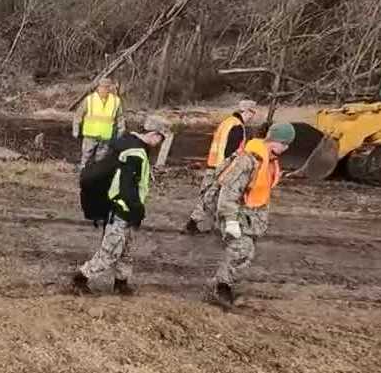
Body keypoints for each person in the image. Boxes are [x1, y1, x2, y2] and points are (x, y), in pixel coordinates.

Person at [70, 115, 171, 296]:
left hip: (125, 209)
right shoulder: (135, 154)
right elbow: (126, 187)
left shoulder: (128, 143)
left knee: (126, 250)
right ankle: (81, 278)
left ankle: (121, 283)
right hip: (122, 210)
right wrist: (136, 209)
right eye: (161, 139)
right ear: (154, 135)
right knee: (110, 250)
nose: (159, 143)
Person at [206, 123, 295, 310]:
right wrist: (230, 220)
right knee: (240, 250)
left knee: (247, 254)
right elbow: (228, 193)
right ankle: (219, 288)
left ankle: (225, 285)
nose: (286, 149)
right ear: (276, 141)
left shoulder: (269, 161)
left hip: (250, 218)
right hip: (236, 214)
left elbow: (258, 194)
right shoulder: (248, 161)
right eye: (285, 144)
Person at [183, 100, 258, 234]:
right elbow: (232, 151)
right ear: (247, 111)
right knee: (215, 197)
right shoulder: (237, 126)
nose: (252, 116)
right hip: (222, 166)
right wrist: (231, 170)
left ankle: (200, 224)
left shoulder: (227, 122)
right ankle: (195, 224)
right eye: (252, 113)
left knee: (210, 196)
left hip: (214, 164)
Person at [73, 77, 124, 170]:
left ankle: (96, 174)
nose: (105, 89)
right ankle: (82, 172)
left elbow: (120, 117)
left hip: (105, 136)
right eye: (103, 87)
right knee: (86, 156)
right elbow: (78, 114)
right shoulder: (90, 99)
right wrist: (76, 129)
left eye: (107, 87)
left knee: (101, 159)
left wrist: (121, 130)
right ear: (98, 87)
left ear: (110, 88)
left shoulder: (116, 101)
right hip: (90, 134)